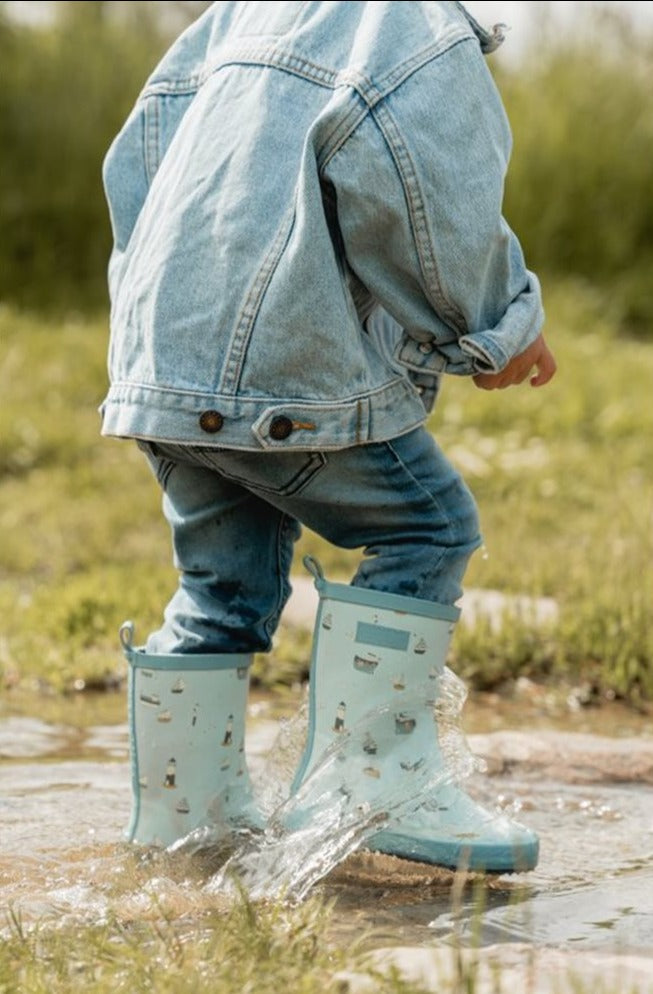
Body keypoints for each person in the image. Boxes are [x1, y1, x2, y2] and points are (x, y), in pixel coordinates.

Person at [103, 1, 555, 869]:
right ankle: (375, 782)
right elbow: (426, 195)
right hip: (283, 363)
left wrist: (151, 343)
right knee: (427, 525)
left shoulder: (238, 14)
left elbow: (137, 167)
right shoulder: (411, 27)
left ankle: (184, 824)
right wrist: (494, 318)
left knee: (220, 592)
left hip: (162, 355)